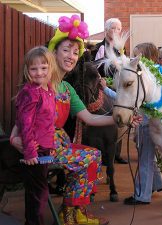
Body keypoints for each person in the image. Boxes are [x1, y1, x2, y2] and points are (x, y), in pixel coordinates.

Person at [11, 15, 141, 225]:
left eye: (75, 51)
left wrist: (121, 120)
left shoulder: (67, 89)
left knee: (91, 157)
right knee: (89, 157)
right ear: (53, 52)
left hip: (59, 146)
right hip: (43, 149)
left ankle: (73, 212)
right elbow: (22, 121)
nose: (72, 56)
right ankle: (70, 214)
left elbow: (89, 117)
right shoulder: (39, 83)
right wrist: (15, 139)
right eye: (66, 50)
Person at [14, 46, 57, 225]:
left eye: (43, 68)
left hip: (45, 148)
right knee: (38, 193)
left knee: (38, 190)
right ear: (27, 70)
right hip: (35, 149)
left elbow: (47, 123)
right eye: (34, 68)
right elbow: (25, 123)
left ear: (50, 68)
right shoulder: (31, 92)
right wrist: (30, 151)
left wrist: (51, 147)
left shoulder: (48, 90)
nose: (39, 72)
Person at [122, 42, 162, 205]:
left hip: (147, 121)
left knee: (145, 157)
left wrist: (105, 89)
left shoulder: (147, 76)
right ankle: (156, 183)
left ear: (146, 57)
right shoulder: (154, 73)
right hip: (148, 120)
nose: (133, 58)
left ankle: (142, 195)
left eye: (136, 55)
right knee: (147, 155)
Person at [91, 18, 128, 164]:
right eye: (113, 28)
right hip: (105, 88)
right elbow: (95, 67)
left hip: (118, 87)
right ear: (106, 30)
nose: (117, 31)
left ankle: (116, 153)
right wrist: (101, 82)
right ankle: (106, 154)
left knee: (119, 119)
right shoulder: (101, 47)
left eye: (119, 29)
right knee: (107, 119)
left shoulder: (120, 48)